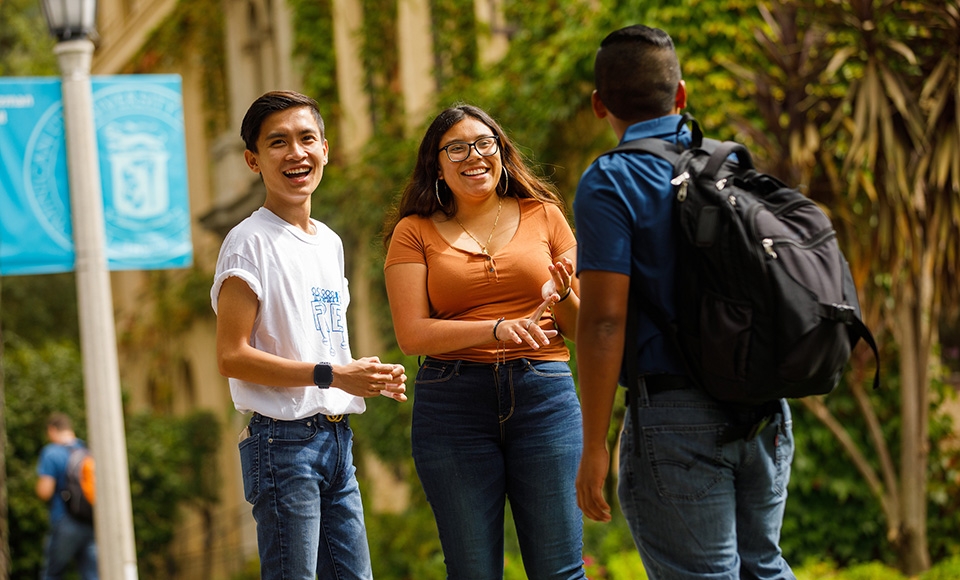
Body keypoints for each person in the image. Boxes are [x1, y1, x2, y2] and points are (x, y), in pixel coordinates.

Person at [573, 25, 796, 580]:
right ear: (681, 94)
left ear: (599, 105)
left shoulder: (611, 180)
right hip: (763, 408)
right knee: (763, 567)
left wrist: (594, 444)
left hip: (676, 415)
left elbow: (604, 322)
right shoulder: (730, 165)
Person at [383, 104, 586, 580]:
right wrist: (495, 328)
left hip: (544, 397)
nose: (473, 155)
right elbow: (412, 334)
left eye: (483, 143)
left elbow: (582, 329)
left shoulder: (546, 216)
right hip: (452, 404)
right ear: (436, 165)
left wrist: (563, 295)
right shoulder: (413, 232)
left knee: (559, 570)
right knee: (473, 571)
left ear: (501, 151)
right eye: (455, 148)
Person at [211, 90, 408, 580]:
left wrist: (363, 375)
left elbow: (317, 343)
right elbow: (231, 356)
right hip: (282, 445)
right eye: (278, 142)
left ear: (325, 148)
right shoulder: (247, 243)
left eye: (306, 138)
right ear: (253, 160)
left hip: (337, 440)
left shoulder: (329, 243)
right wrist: (333, 375)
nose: (295, 153)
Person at [36, 412, 98, 580]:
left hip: (65, 520)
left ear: (52, 430)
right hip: (90, 520)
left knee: (53, 574)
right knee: (92, 574)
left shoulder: (52, 452)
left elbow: (45, 491)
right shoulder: (87, 450)